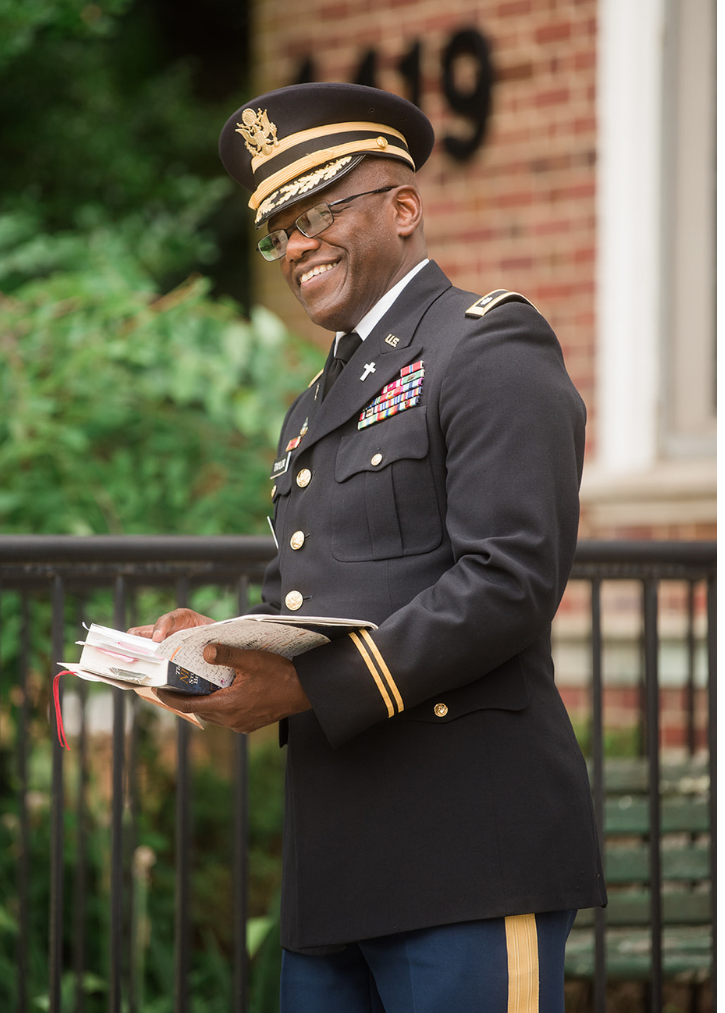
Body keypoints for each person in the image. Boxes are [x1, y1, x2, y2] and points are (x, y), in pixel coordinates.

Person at [138, 84, 604, 1011]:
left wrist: (310, 687)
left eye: (318, 213)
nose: (296, 245)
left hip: (470, 851)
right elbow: (307, 600)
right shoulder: (311, 405)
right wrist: (218, 653)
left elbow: (508, 579)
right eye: (280, 230)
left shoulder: (488, 344)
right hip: (338, 862)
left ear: (403, 207)